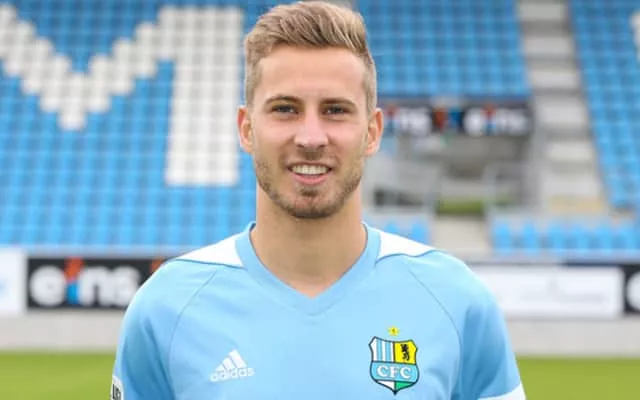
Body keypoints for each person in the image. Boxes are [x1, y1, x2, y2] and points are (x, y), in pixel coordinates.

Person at [111, 1, 526, 399]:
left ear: (372, 132)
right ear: (246, 129)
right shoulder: (167, 309)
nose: (311, 137)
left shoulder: (457, 302)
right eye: (285, 109)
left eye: (335, 110)